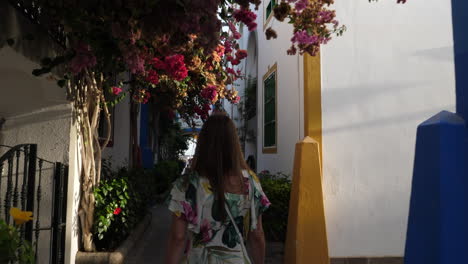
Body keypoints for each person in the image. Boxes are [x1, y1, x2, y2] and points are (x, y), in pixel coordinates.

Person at [165, 112, 271, 264]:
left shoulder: (188, 184)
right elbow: (257, 234)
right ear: (233, 143)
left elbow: (178, 238)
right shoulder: (250, 181)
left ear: (203, 143)